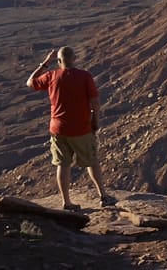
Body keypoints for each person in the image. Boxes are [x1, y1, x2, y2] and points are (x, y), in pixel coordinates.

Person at [26, 46, 115, 210]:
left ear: (59, 61)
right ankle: (103, 196)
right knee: (92, 161)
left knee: (63, 164)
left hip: (58, 129)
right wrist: (96, 121)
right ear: (74, 59)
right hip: (81, 127)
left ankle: (67, 203)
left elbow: (30, 82)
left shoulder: (51, 75)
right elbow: (95, 102)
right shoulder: (84, 76)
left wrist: (46, 62)